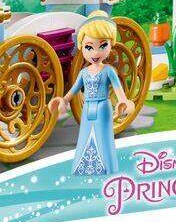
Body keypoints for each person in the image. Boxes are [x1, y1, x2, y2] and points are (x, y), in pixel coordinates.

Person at [49, 11, 130, 176]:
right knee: (85, 135)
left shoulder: (108, 70)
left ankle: (107, 168)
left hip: (104, 107)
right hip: (87, 108)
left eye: (102, 46)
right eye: (89, 47)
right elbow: (73, 91)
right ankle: (85, 166)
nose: (95, 53)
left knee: (104, 135)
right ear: (82, 46)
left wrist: (123, 102)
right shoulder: (84, 73)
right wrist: (62, 100)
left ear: (111, 44)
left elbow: (119, 91)